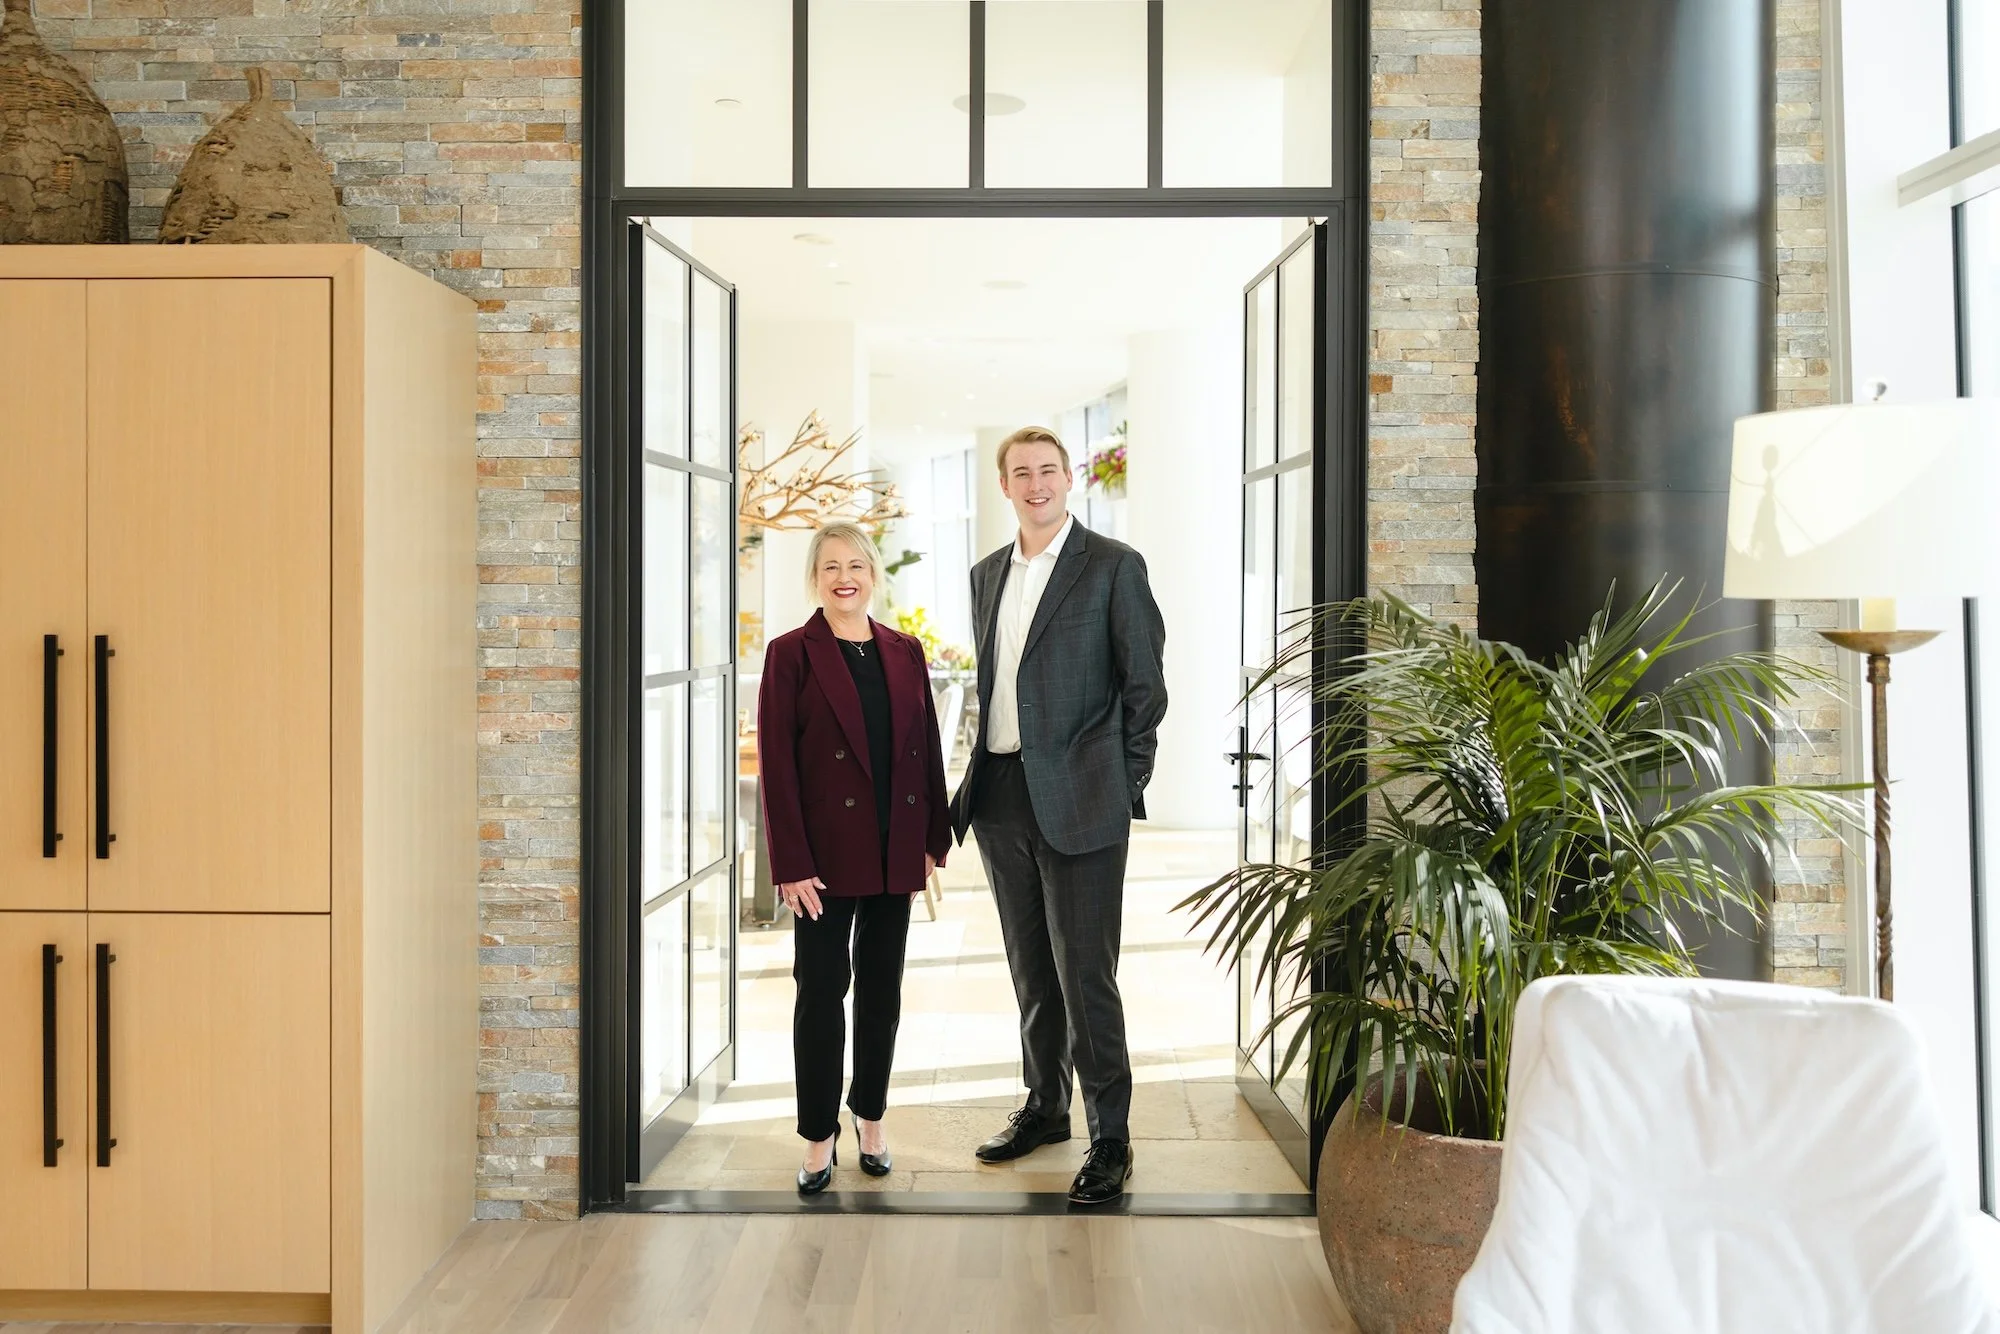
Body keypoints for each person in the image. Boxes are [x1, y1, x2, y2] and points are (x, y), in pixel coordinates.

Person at [948, 425, 1167, 1206]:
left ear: (1069, 478)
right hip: (1002, 794)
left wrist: (1121, 781)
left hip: (1084, 801)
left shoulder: (1112, 567)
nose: (1035, 484)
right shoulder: (984, 576)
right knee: (1031, 972)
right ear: (1003, 486)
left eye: (1048, 470)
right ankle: (1046, 1108)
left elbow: (1146, 689)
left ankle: (1112, 1135)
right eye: (1020, 473)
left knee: (1086, 975)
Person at [759, 521, 953, 1195]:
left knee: (882, 993)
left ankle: (869, 1117)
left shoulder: (905, 651)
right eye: (831, 565)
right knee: (820, 994)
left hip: (893, 848)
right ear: (815, 578)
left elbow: (924, 745)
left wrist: (934, 836)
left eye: (857, 565)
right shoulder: (791, 654)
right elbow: (777, 767)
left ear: (874, 575)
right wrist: (789, 863)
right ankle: (819, 1135)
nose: (846, 576)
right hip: (821, 861)